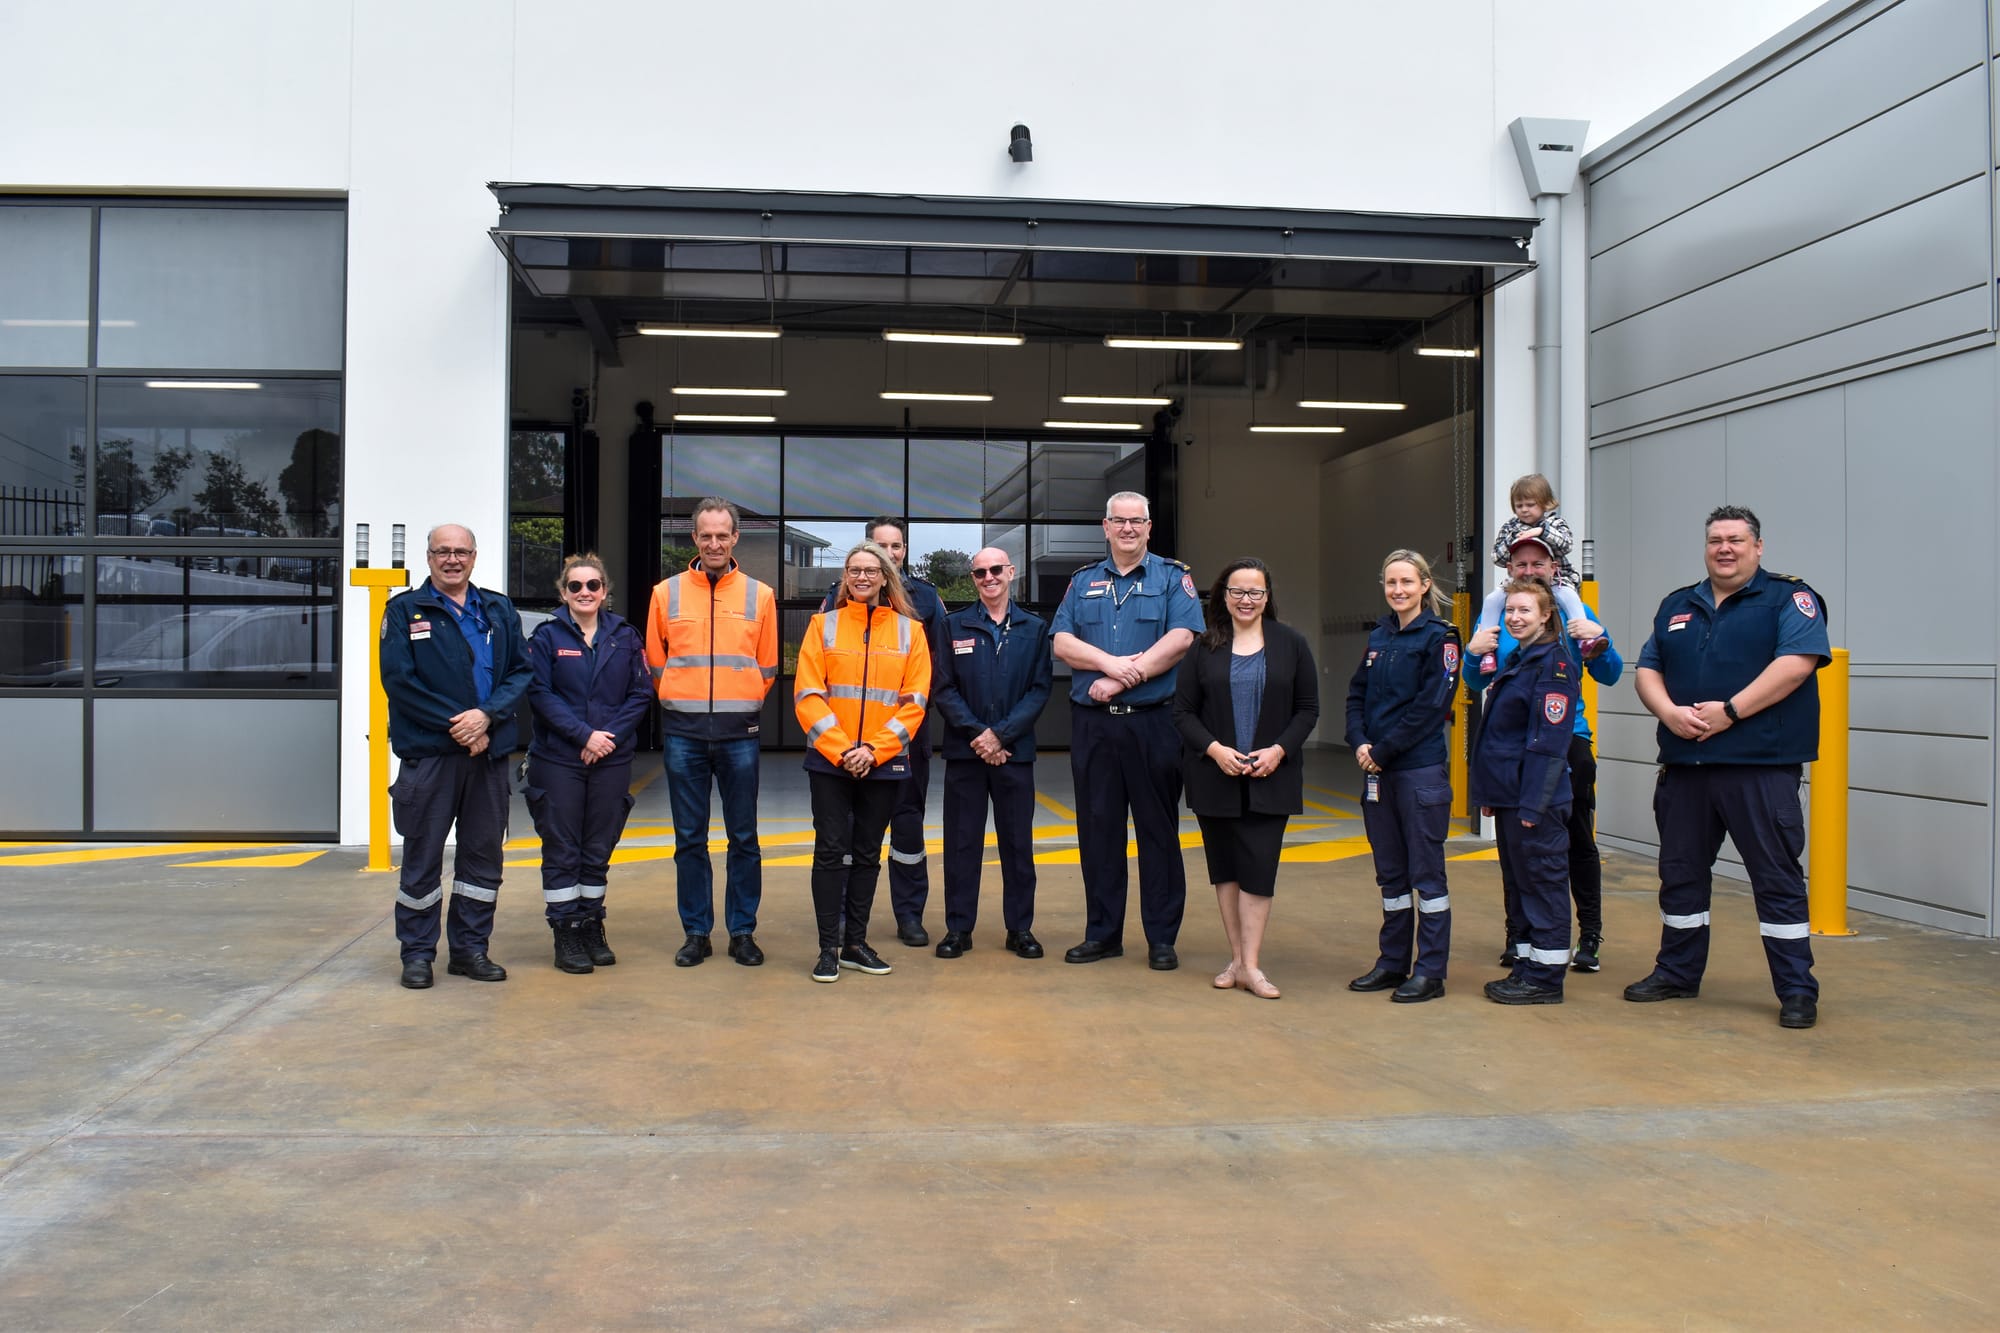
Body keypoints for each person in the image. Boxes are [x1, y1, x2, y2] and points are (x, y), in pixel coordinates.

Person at [1625, 505, 1830, 1029]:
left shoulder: (1790, 598)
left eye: (1736, 540)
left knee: (1776, 879)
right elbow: (1648, 667)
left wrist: (1731, 711)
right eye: (1716, 539)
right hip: (1687, 767)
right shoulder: (1678, 604)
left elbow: (1796, 665)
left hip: (1758, 767)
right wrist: (1668, 711)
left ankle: (1796, 991)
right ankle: (1676, 973)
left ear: (1758, 547)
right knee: (1680, 877)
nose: (1725, 548)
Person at [1050, 491, 1206, 971]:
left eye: (1137, 521)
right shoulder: (1082, 582)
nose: (1128, 529)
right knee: (1098, 832)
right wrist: (1110, 664)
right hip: (1094, 728)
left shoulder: (1172, 578)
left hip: (1153, 724)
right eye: (1119, 521)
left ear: (1149, 526)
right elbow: (1061, 641)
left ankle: (1161, 938)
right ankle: (1103, 934)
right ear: (1105, 526)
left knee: (1158, 832)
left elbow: (1181, 639)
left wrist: (1119, 680)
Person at [379, 524, 532, 990]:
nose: (452, 559)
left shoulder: (498, 608)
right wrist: (462, 727)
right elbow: (401, 683)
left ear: (474, 556)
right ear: (428, 557)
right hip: (432, 757)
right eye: (442, 551)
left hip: (487, 754)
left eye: (460, 551)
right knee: (423, 856)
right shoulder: (405, 610)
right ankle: (418, 954)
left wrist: (485, 717)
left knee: (482, 858)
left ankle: (470, 950)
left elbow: (519, 671)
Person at [1465, 533, 1624, 972]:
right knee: (1515, 849)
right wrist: (1471, 656)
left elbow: (1609, 674)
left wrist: (1601, 639)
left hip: (1564, 744)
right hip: (1512, 750)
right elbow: (1476, 681)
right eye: (1521, 564)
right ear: (1509, 570)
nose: (1530, 569)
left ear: (1555, 568)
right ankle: (1519, 935)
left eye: (1539, 562)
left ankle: (1588, 934)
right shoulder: (1504, 613)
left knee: (1574, 844)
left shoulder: (1574, 613)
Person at [1172, 558, 1320, 999]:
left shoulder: (1291, 643)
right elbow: (1182, 712)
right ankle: (1236, 960)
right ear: (1223, 596)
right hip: (1215, 776)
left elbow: (1307, 709)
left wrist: (1278, 751)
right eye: (1237, 591)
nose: (1246, 600)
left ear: (1267, 597)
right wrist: (1215, 750)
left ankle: (1252, 966)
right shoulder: (1203, 647)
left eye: (1255, 592)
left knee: (1258, 870)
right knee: (1226, 871)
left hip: (1270, 776)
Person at [646, 497, 781, 969]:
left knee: (744, 837)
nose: (714, 543)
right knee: (689, 838)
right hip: (683, 733)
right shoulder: (666, 593)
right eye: (706, 535)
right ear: (694, 538)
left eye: (723, 535)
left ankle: (742, 932)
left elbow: (768, 667)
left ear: (735, 537)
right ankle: (696, 933)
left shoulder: (760, 595)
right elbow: (656, 663)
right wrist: (682, 701)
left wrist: (739, 702)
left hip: (739, 733)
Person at [795, 541, 933, 983]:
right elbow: (808, 695)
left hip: (882, 761)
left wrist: (873, 750)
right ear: (845, 576)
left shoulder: (910, 631)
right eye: (854, 570)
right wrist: (842, 750)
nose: (861, 577)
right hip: (831, 762)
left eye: (871, 571)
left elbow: (915, 702)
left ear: (886, 578)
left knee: (869, 854)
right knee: (830, 851)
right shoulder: (822, 627)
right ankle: (827, 949)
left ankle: (855, 942)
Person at [524, 554, 654, 973]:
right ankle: (566, 932)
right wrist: (584, 736)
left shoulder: (625, 636)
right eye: (576, 586)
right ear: (563, 593)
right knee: (563, 847)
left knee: (598, 848)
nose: (585, 593)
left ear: (605, 591)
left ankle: (591, 924)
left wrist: (606, 739)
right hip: (559, 758)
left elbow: (640, 694)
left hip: (610, 758)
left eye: (593, 585)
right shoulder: (546, 637)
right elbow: (540, 694)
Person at [822, 518, 948, 948]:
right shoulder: (837, 600)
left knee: (908, 828)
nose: (889, 553)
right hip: (847, 743)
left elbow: (935, 670)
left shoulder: (928, 599)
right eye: (880, 546)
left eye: (896, 546)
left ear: (904, 550)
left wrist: (899, 730)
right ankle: (841, 917)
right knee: (849, 830)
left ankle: (909, 914)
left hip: (906, 738)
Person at [1344, 549, 1462, 1003]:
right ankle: (1392, 962)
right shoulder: (1378, 636)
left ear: (1424, 586)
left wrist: (1384, 751)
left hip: (1417, 772)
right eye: (1391, 582)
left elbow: (1431, 708)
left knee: (1426, 877)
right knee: (1390, 875)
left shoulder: (1440, 638)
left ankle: (1430, 970)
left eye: (1407, 583)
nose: (1398, 590)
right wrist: (1358, 742)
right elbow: (1356, 695)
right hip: (1379, 770)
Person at [931, 547, 1054, 959]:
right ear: (973, 579)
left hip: (1014, 755)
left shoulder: (1034, 629)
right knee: (962, 844)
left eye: (996, 569)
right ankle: (958, 929)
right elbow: (943, 689)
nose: (989, 577)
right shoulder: (953, 626)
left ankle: (1020, 929)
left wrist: (1001, 736)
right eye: (980, 572)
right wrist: (980, 736)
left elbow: (1039, 690)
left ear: (1011, 572)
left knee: (1017, 845)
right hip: (966, 756)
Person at [1468, 578, 1582, 1005]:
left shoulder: (1553, 665)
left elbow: (1547, 744)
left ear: (1546, 615)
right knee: (1523, 884)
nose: (1515, 618)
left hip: (1536, 801)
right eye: (1510, 610)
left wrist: (1533, 804)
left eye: (1525, 611)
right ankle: (1529, 967)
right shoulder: (1520, 660)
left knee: (1544, 883)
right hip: (1512, 798)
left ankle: (1546, 979)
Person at [1472, 473, 1603, 650]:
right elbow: (1497, 557)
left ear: (1545, 503)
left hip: (1557, 582)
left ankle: (1584, 640)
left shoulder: (1554, 522)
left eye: (1530, 505)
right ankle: (1486, 646)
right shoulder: (1511, 527)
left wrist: (1541, 532)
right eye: (1519, 506)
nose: (1524, 510)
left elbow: (1566, 544)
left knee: (1571, 598)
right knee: (1492, 599)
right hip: (1516, 587)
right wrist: (1514, 537)